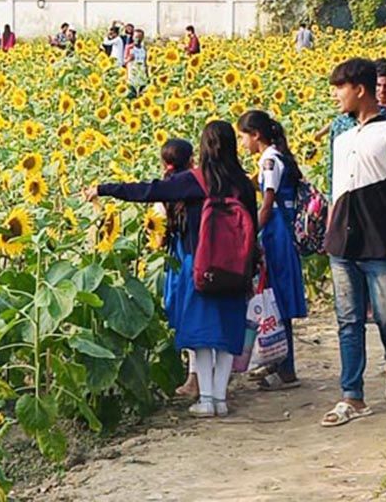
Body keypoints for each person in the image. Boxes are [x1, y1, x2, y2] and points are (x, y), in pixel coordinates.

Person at [86, 121, 258, 418]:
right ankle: (221, 399)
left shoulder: (197, 180)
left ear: (203, 148)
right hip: (235, 267)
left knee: (202, 335)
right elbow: (252, 228)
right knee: (229, 334)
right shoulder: (242, 183)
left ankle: (207, 400)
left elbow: (150, 191)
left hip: (200, 265)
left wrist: (105, 188)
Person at [322, 58, 386, 427]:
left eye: (340, 88)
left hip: (382, 239)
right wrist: (330, 233)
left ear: (359, 89)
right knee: (348, 320)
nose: (336, 95)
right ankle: (352, 395)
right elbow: (338, 192)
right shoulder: (343, 137)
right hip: (343, 242)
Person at [237, 110, 308, 391]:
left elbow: (267, 204)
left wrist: (250, 235)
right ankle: (282, 364)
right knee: (280, 299)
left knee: (276, 299)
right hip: (285, 231)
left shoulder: (268, 160)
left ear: (256, 135)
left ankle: (286, 369)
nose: (243, 143)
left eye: (244, 137)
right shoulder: (277, 156)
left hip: (276, 234)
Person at [125, 28, 148, 99]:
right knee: (131, 96)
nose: (137, 39)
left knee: (142, 97)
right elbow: (124, 61)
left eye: (139, 38)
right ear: (133, 37)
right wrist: (129, 59)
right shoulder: (129, 47)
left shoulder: (143, 49)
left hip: (141, 77)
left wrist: (147, 76)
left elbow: (145, 63)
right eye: (136, 37)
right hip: (132, 77)